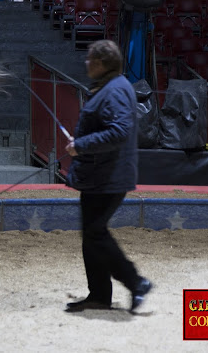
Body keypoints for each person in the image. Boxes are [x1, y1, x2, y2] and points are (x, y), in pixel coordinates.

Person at [64, 39, 152, 313]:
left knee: (95, 232)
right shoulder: (110, 87)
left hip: (109, 175)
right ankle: (99, 295)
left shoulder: (115, 90)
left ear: (101, 63)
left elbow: (119, 132)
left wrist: (81, 145)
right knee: (91, 234)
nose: (86, 63)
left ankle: (136, 282)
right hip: (99, 174)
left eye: (90, 59)